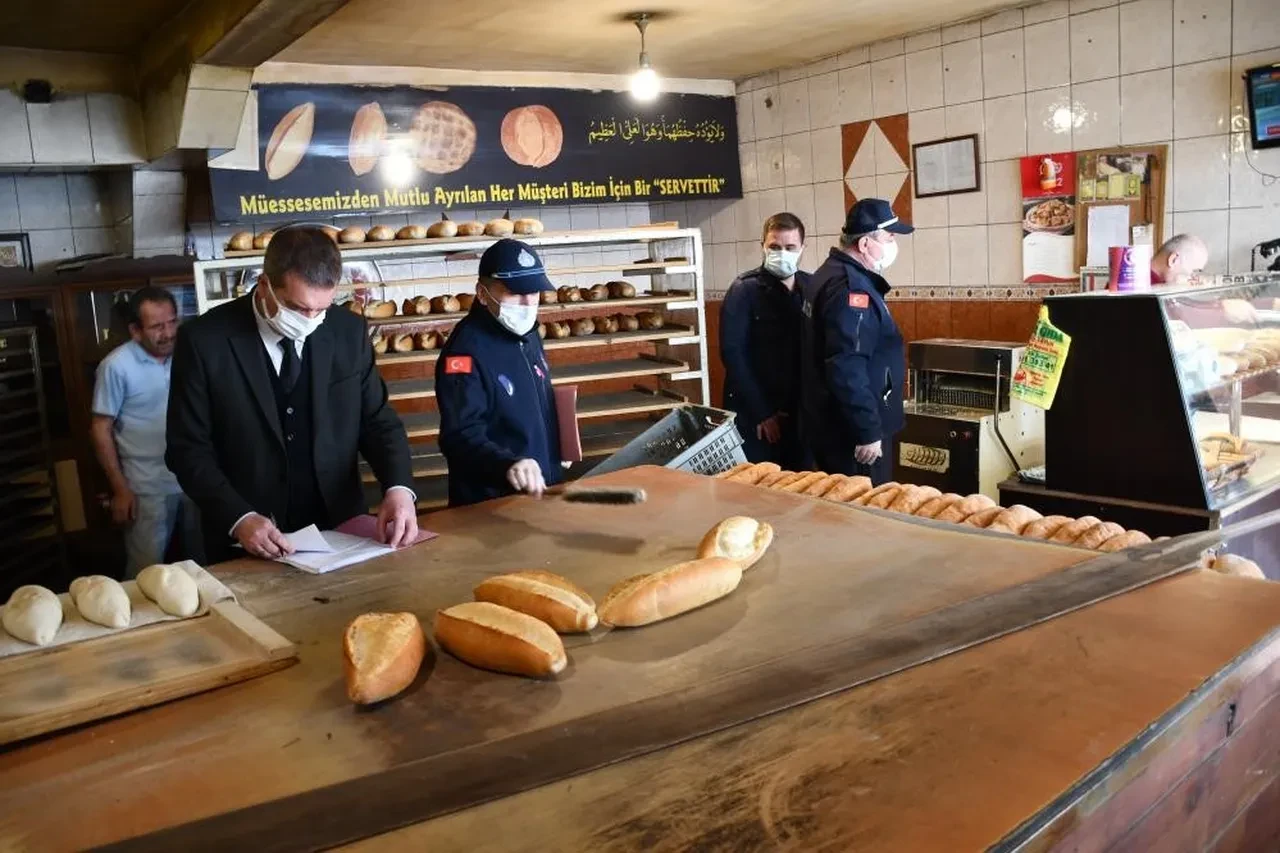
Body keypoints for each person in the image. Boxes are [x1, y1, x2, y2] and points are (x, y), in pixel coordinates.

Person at [166, 226, 417, 562]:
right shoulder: (204, 342)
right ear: (265, 285)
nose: (311, 320)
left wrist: (399, 488)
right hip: (248, 538)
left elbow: (378, 422)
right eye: (298, 308)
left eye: (321, 308)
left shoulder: (347, 331)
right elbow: (187, 450)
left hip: (340, 531)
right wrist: (239, 518)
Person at [436, 238, 562, 507]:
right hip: (492, 504)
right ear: (482, 294)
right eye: (515, 293)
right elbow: (459, 436)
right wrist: (508, 465)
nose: (528, 303)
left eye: (535, 293)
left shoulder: (528, 334)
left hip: (539, 492)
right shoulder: (465, 353)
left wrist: (556, 448)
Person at [90, 287, 201, 576]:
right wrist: (120, 489)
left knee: (204, 565)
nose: (168, 333)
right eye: (157, 327)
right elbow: (101, 429)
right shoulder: (116, 366)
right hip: (146, 487)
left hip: (196, 481)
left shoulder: (189, 354)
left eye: (172, 322)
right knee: (145, 570)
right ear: (135, 331)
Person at [800, 198, 911, 485]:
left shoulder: (827, 274)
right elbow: (846, 364)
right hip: (852, 437)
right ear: (864, 244)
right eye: (889, 237)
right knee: (864, 515)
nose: (893, 244)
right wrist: (868, 430)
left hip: (831, 423)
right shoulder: (851, 289)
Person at [719, 212, 808, 469]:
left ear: (802, 248)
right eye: (775, 247)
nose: (782, 253)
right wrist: (762, 413)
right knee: (761, 486)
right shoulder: (744, 290)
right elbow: (732, 354)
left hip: (799, 414)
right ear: (763, 247)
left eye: (790, 247)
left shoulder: (810, 288)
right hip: (756, 414)